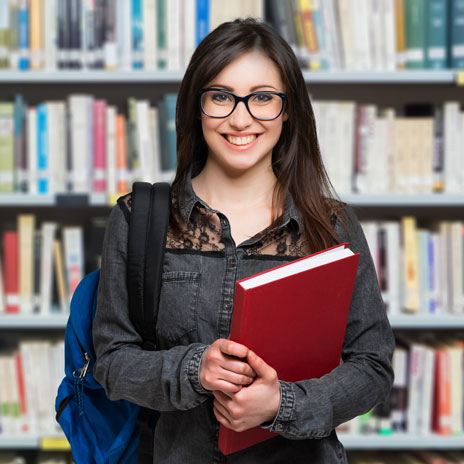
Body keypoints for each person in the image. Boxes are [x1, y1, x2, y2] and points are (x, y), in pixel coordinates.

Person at [93, 18, 395, 464]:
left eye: (262, 98)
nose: (240, 118)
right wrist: (195, 369)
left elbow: (371, 366)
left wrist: (282, 405)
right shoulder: (140, 219)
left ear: (288, 108)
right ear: (196, 106)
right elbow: (113, 363)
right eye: (220, 97)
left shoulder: (331, 226)